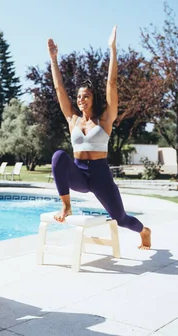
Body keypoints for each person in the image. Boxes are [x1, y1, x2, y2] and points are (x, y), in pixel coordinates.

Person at [47, 25, 152, 250]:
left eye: (86, 96)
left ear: (93, 99)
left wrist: (113, 50)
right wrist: (54, 60)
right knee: (58, 157)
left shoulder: (105, 120)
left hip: (100, 175)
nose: (81, 100)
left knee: (121, 218)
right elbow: (58, 89)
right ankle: (66, 206)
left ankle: (144, 231)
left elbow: (111, 84)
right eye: (79, 97)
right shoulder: (73, 120)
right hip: (78, 174)